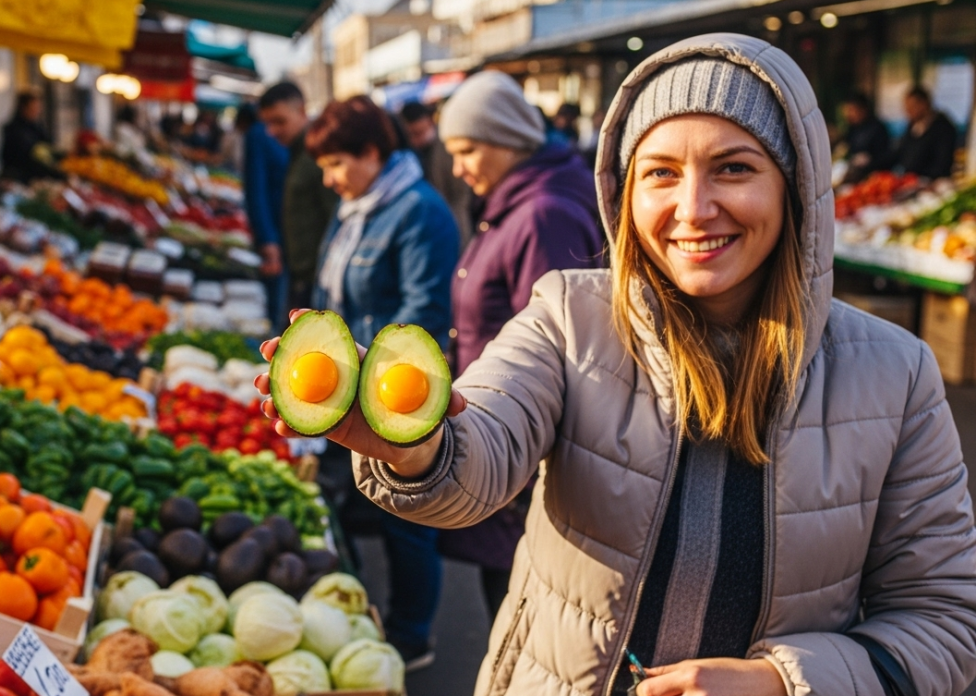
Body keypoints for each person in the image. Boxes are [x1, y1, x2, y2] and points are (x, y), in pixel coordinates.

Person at [255, 33, 976, 696]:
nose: (693, 208)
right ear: (625, 195)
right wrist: (409, 446)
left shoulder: (898, 375)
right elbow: (481, 450)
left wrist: (782, 683)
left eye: (734, 168)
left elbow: (948, 624)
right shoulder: (570, 316)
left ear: (796, 188)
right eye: (660, 173)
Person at [434, 70, 604, 618]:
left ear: (506, 142)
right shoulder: (518, 206)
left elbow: (560, 351)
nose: (458, 168)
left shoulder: (542, 215)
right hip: (505, 445)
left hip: (524, 463)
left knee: (520, 617)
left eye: (467, 151)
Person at [308, 96, 460, 670]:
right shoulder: (358, 208)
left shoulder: (420, 211)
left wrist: (357, 366)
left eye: (336, 164)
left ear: (372, 153)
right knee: (373, 505)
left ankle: (412, 635)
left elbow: (423, 313)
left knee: (409, 519)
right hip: (346, 389)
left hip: (390, 393)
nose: (329, 179)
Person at [258, 82, 339, 310]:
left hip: (318, 281)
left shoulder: (317, 155)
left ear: (301, 111)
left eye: (279, 121)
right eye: (268, 123)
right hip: (301, 275)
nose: (272, 131)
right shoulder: (295, 152)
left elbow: (334, 219)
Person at [238, 104, 290, 327]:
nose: (273, 130)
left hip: (283, 235)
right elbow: (256, 188)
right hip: (277, 234)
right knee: (276, 307)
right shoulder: (258, 136)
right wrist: (267, 238)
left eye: (279, 122)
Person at [400, 101, 472, 247]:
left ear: (430, 121)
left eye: (419, 132)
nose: (416, 139)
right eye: (411, 134)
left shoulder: (446, 147)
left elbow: (460, 197)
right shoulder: (413, 153)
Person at [895, 86, 958, 180]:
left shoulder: (943, 127)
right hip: (909, 180)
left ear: (924, 104)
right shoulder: (912, 125)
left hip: (933, 182)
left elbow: (942, 163)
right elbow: (900, 151)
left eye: (912, 107)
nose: (907, 112)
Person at [0, 91, 61, 184]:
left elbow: (49, 147)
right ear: (23, 108)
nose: (37, 111)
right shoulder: (15, 130)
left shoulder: (37, 126)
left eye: (38, 108)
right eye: (33, 108)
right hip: (21, 179)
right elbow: (31, 158)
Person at [838, 92, 891, 185]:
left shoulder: (878, 128)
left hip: (874, 179)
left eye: (851, 110)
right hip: (853, 177)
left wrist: (869, 160)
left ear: (863, 109)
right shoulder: (852, 129)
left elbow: (886, 158)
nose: (848, 114)